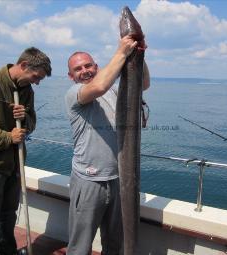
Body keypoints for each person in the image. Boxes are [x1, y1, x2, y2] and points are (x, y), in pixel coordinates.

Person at [65, 35, 150, 255]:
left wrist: (140, 54)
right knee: (80, 245)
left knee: (114, 244)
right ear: (71, 76)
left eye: (88, 65)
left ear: (97, 66)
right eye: (78, 69)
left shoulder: (113, 89)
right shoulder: (74, 94)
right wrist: (121, 51)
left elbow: (143, 83)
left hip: (119, 180)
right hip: (89, 181)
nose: (84, 70)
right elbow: (100, 86)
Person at [0, 47, 52, 254]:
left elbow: (31, 124)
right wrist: (8, 137)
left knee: (8, 216)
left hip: (14, 165)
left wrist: (24, 117)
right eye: (36, 76)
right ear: (23, 65)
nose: (37, 82)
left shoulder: (26, 90)